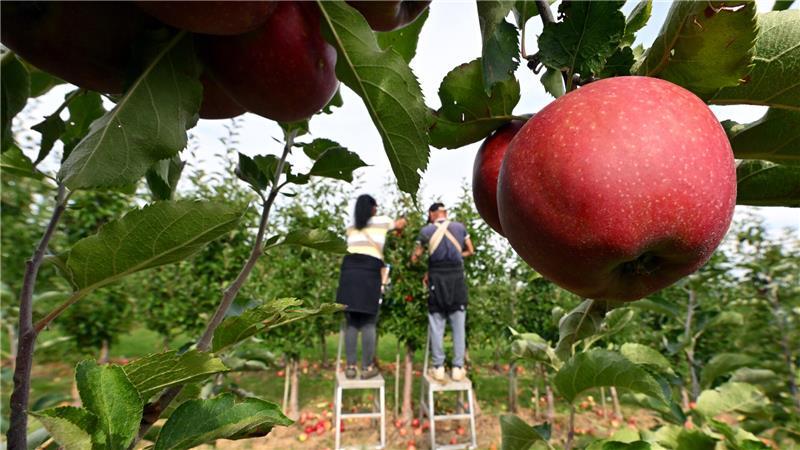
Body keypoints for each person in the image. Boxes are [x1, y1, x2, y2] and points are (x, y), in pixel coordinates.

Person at [336, 194, 406, 379]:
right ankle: (367, 368)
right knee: (368, 321)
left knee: (351, 321)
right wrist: (402, 224)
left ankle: (351, 367)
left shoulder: (350, 228)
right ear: (373, 208)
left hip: (349, 271)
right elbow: (400, 224)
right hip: (369, 271)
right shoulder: (381, 222)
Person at [412, 202, 474, 382]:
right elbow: (470, 250)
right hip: (456, 278)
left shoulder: (426, 231)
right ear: (445, 213)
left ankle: (438, 367)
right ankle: (457, 367)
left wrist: (420, 258)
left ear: (432, 214)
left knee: (436, 324)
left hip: (436, 279)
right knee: (458, 326)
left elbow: (415, 257)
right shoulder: (459, 228)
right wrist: (455, 255)